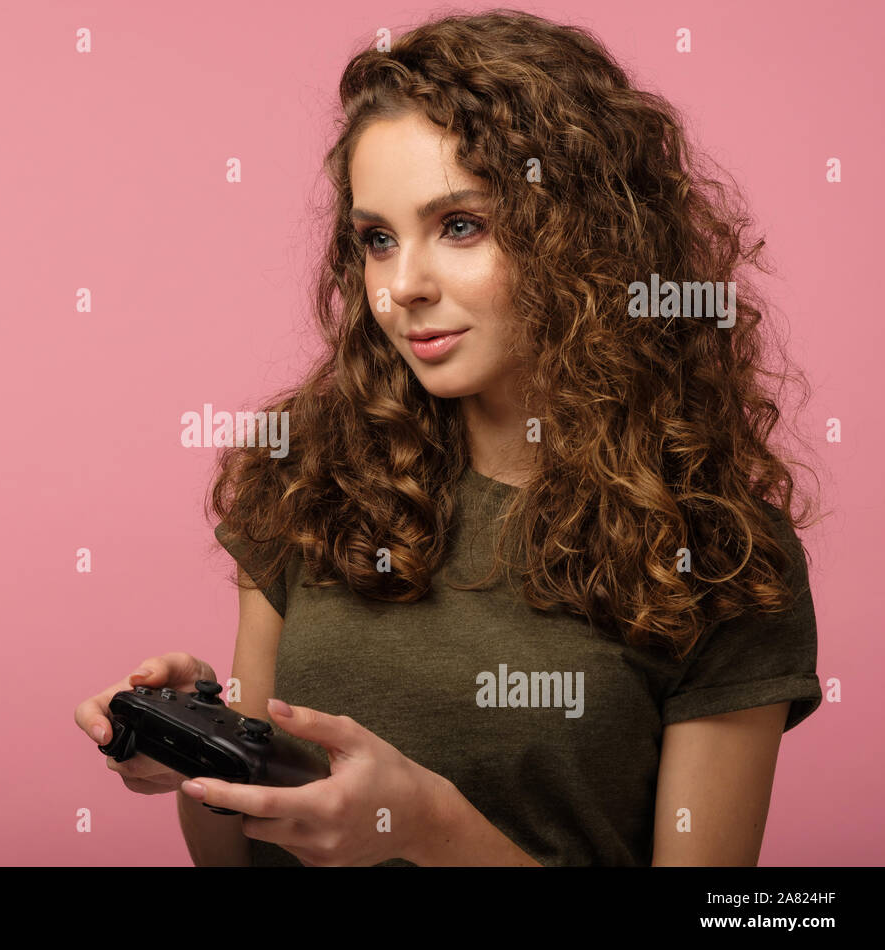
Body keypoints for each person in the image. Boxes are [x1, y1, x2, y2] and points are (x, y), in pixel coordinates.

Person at [74, 9, 824, 866]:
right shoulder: (308, 473)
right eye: (378, 240)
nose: (401, 289)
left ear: (587, 235)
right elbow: (234, 856)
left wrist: (433, 831)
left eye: (461, 226)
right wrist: (195, 754)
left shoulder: (719, 552)